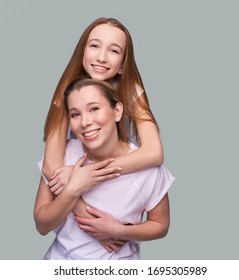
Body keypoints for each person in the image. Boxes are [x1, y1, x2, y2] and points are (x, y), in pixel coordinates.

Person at [34, 78, 174, 260]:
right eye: (75, 114)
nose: (85, 122)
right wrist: (73, 188)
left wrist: (120, 230)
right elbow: (42, 225)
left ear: (117, 111)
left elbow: (160, 224)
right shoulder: (63, 156)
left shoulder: (147, 169)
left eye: (94, 109)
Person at [42, 17, 164, 196]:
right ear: (82, 52)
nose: (101, 57)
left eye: (114, 51)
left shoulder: (131, 89)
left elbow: (154, 152)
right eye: (94, 46)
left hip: (125, 177)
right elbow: (50, 165)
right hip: (78, 177)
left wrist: (89, 174)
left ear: (122, 65)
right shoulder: (67, 89)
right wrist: (78, 192)